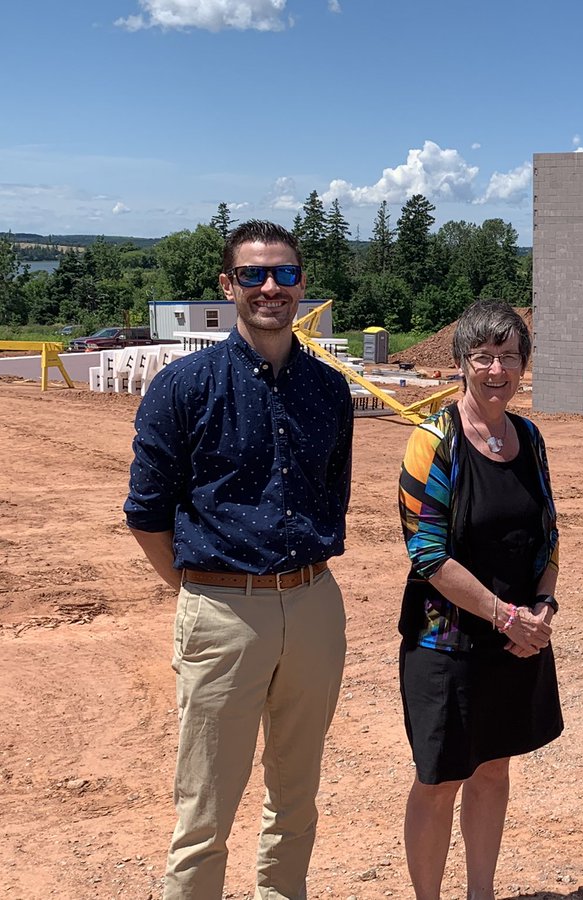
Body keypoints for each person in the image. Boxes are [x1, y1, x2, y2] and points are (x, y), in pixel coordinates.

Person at [125, 219, 353, 898]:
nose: (270, 287)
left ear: (302, 284)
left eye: (283, 273)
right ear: (227, 285)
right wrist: (198, 592)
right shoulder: (185, 386)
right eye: (252, 275)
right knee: (205, 811)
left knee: (296, 798)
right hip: (222, 609)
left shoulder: (328, 389)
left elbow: (330, 498)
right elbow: (146, 514)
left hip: (314, 604)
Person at [398, 299, 562, 900]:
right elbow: (428, 555)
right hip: (446, 643)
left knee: (494, 768)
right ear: (461, 364)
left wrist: (543, 611)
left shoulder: (530, 436)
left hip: (516, 643)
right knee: (441, 779)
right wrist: (507, 618)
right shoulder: (433, 441)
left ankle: (481, 894)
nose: (497, 370)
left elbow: (547, 534)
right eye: (483, 357)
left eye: (510, 357)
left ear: (524, 366)